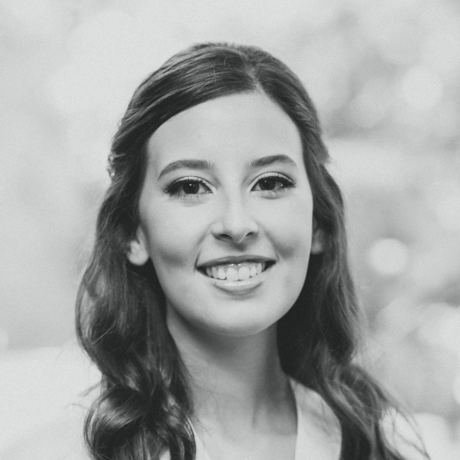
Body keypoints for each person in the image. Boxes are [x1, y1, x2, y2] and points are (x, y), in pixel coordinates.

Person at [76, 42, 429, 460]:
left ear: (318, 221)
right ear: (133, 233)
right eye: (190, 186)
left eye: (271, 182)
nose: (237, 223)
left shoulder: (375, 448)